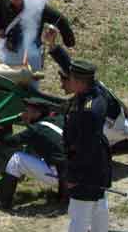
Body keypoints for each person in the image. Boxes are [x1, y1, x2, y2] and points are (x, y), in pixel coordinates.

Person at [44, 27, 128, 155]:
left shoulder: (94, 102)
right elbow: (68, 65)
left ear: (79, 82)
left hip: (114, 132)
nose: (62, 86)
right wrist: (52, 43)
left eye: (69, 80)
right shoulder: (89, 85)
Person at [62, 60, 112, 232]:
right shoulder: (96, 91)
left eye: (70, 78)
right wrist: (56, 49)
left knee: (79, 214)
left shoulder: (90, 111)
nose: (67, 81)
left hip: (87, 166)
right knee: (100, 206)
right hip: (98, 164)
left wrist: (74, 175)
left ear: (79, 82)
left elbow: (85, 148)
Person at [0, 97, 67, 210]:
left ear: (37, 113)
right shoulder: (60, 118)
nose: (24, 113)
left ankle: (3, 202)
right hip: (81, 174)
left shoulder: (36, 130)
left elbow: (9, 141)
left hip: (65, 178)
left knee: (17, 160)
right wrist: (28, 122)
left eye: (27, 111)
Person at [0, 0, 75, 72]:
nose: (15, 1)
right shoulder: (4, 1)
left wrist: (69, 41)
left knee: (31, 83)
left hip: (32, 54)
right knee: (10, 81)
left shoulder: (37, 8)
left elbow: (61, 20)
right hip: (11, 51)